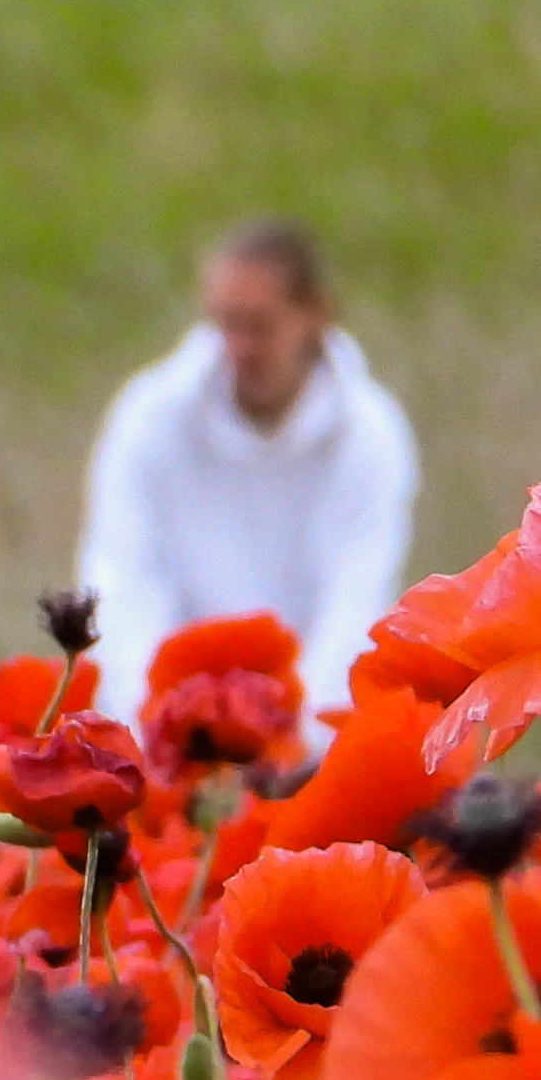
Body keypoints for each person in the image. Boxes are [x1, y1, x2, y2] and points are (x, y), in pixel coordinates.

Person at [75, 218, 417, 729]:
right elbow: (122, 582)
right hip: (169, 731)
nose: (239, 349)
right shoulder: (149, 416)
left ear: (316, 314)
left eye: (259, 326)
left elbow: (355, 604)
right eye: (226, 324)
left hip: (303, 745)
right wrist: (161, 726)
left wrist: (291, 741)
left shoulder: (370, 434)